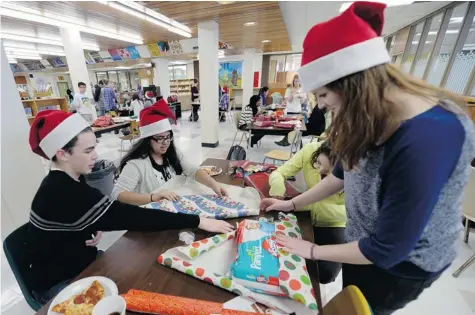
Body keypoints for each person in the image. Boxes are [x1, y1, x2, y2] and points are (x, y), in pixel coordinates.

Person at [260, 2, 475, 315]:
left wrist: (312, 249)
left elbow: (387, 249)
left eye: (322, 95)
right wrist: (292, 204)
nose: (319, 106)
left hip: (402, 266)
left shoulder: (428, 137)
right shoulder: (364, 117)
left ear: (353, 85)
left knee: (361, 307)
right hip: (361, 243)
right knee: (352, 292)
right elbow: (340, 175)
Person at [27, 110, 233, 305]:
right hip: (59, 281)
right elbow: (133, 217)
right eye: (88, 150)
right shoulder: (63, 191)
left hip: (79, 259)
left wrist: (92, 225)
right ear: (62, 154)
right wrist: (198, 220)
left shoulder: (69, 178)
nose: (96, 156)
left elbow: (81, 216)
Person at [112, 99, 229, 205]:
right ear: (147, 140)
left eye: (168, 137)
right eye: (160, 138)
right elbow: (117, 194)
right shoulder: (136, 164)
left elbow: (193, 170)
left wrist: (214, 184)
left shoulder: (171, 153)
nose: (166, 142)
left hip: (173, 206)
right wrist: (153, 197)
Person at [269, 141, 345, 284]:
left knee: (325, 273)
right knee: (276, 253)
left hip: (333, 222)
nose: (318, 171)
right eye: (317, 163)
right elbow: (279, 173)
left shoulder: (357, 173)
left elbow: (349, 214)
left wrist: (299, 204)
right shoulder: (310, 150)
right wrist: (278, 194)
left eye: (327, 173)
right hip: (304, 212)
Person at [275, 75, 306, 146]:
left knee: (297, 128)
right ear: (293, 81)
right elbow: (289, 100)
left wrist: (301, 96)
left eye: (298, 81)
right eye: (295, 81)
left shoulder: (302, 89)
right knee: (288, 127)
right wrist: (292, 93)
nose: (297, 82)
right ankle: (289, 142)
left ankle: (294, 143)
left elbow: (302, 102)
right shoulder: (289, 89)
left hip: (297, 111)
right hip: (289, 110)